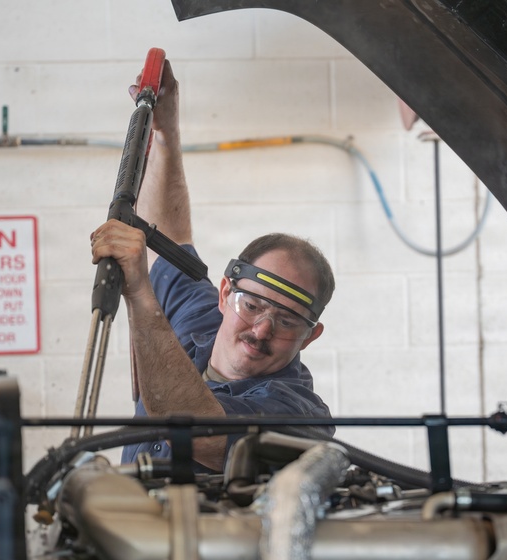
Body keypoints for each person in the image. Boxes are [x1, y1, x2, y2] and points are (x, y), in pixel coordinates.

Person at [89, 56, 335, 472]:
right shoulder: (198, 319)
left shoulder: (299, 413)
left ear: (311, 337)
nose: (261, 330)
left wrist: (138, 292)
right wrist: (166, 131)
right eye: (252, 306)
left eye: (288, 320)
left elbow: (204, 437)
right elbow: (167, 235)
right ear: (225, 294)